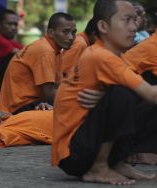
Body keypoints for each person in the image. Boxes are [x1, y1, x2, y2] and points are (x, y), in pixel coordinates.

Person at [52, 0, 157, 185]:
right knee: (123, 93)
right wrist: (110, 95)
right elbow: (152, 95)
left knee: (124, 90)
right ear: (103, 26)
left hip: (80, 147)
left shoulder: (110, 54)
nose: (134, 27)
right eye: (126, 20)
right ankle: (98, 167)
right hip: (74, 154)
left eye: (135, 20)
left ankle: (114, 162)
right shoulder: (102, 56)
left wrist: (106, 95)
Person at [0, 12, 77, 114]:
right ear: (51, 33)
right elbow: (49, 94)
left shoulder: (55, 50)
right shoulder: (46, 51)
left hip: (34, 102)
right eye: (66, 32)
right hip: (19, 107)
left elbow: (58, 86)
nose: (71, 37)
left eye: (74, 32)